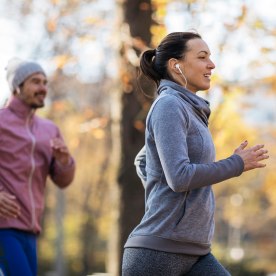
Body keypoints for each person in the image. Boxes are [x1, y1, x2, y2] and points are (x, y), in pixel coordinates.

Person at [122, 31, 269, 275]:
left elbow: (143, 159)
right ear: (176, 65)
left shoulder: (191, 110)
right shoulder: (169, 105)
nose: (211, 64)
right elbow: (179, 178)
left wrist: (163, 196)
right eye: (202, 57)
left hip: (195, 253)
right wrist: (236, 164)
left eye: (210, 57)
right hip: (157, 254)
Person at [0, 58, 76, 276]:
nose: (43, 88)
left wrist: (64, 161)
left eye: (44, 82)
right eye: (35, 82)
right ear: (17, 87)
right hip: (3, 226)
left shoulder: (49, 129)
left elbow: (63, 181)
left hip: (31, 228)